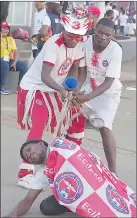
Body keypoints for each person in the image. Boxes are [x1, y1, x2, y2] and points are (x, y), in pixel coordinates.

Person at [17, 13, 90, 189]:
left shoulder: (80, 44)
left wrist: (74, 90)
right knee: (39, 124)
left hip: (55, 89)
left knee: (75, 120)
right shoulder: (53, 44)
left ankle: (66, 164)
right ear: (63, 30)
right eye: (69, 33)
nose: (72, 38)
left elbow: (79, 71)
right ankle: (24, 173)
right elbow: (44, 76)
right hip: (36, 87)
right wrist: (62, 90)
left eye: (77, 35)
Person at [4, 138, 136, 217]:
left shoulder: (60, 144)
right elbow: (28, 200)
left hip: (96, 181)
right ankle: (77, 203)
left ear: (40, 143)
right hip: (75, 192)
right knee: (45, 208)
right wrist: (13, 215)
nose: (29, 155)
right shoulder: (42, 173)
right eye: (28, 158)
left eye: (29, 150)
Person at [75, 18, 122, 175]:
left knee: (105, 128)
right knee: (72, 121)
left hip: (108, 92)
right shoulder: (85, 42)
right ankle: (71, 161)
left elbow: (109, 82)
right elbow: (81, 70)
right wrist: (77, 89)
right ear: (95, 29)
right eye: (100, 32)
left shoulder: (115, 50)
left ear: (111, 36)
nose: (103, 37)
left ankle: (113, 173)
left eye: (107, 34)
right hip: (87, 86)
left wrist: (87, 97)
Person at [0, 21, 27, 95]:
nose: (5, 30)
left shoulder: (11, 39)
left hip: (9, 60)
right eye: (4, 28)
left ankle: (20, 87)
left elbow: (16, 52)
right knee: (5, 65)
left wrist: (15, 62)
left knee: (24, 66)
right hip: (1, 59)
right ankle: (2, 87)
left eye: (7, 29)